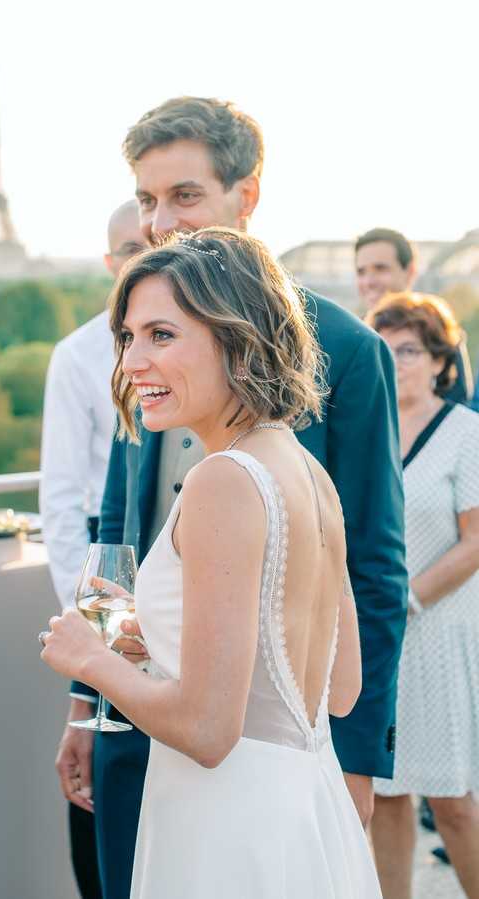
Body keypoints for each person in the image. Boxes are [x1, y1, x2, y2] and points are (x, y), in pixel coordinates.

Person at [68, 97, 407, 899]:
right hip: (169, 738)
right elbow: (119, 534)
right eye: (147, 200)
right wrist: (91, 698)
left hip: (238, 773)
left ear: (244, 194)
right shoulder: (196, 394)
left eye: (182, 195)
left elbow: (376, 570)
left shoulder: (345, 354)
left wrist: (356, 760)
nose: (160, 222)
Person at [39, 199, 145, 899]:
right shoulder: (77, 355)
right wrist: (98, 632)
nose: (147, 255)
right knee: (103, 803)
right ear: (111, 264)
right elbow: (62, 505)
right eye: (131, 249)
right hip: (110, 599)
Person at [366, 291, 479, 899]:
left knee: (452, 798)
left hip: (439, 631)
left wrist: (407, 600)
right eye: (383, 350)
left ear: (439, 359)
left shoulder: (467, 433)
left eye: (408, 350)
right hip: (379, 639)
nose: (395, 362)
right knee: (386, 793)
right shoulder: (367, 430)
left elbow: (476, 541)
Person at [355, 227, 472, 403]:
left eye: (380, 269)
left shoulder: (440, 332)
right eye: (361, 272)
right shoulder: (351, 336)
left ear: (410, 272)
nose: (369, 281)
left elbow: (457, 403)